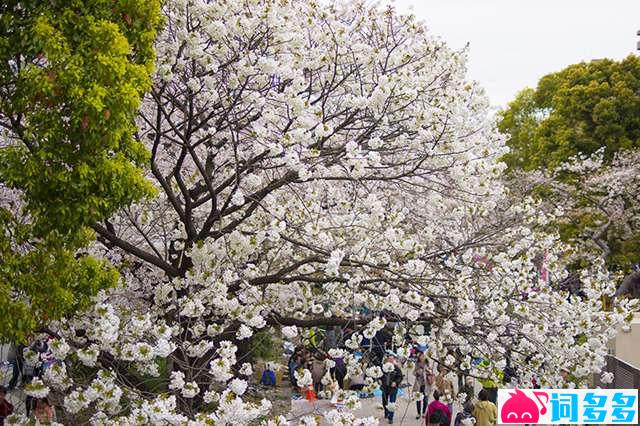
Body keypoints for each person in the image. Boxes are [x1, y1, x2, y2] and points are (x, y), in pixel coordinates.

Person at [380, 355, 403, 424]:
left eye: (392, 359)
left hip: (393, 388)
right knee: (384, 402)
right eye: (389, 359)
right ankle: (386, 412)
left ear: (394, 360)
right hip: (385, 387)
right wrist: (379, 380)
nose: (391, 360)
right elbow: (379, 375)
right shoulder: (383, 367)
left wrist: (396, 382)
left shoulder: (396, 368)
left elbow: (400, 377)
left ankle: (391, 418)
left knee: (392, 403)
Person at [413, 353, 434, 419]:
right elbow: (413, 372)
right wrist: (418, 372)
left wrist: (427, 371)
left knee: (425, 399)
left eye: (423, 356)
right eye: (420, 356)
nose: (422, 357)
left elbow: (432, 372)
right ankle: (418, 413)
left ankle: (424, 412)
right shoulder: (417, 364)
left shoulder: (428, 363)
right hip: (418, 384)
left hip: (426, 384)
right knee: (418, 399)